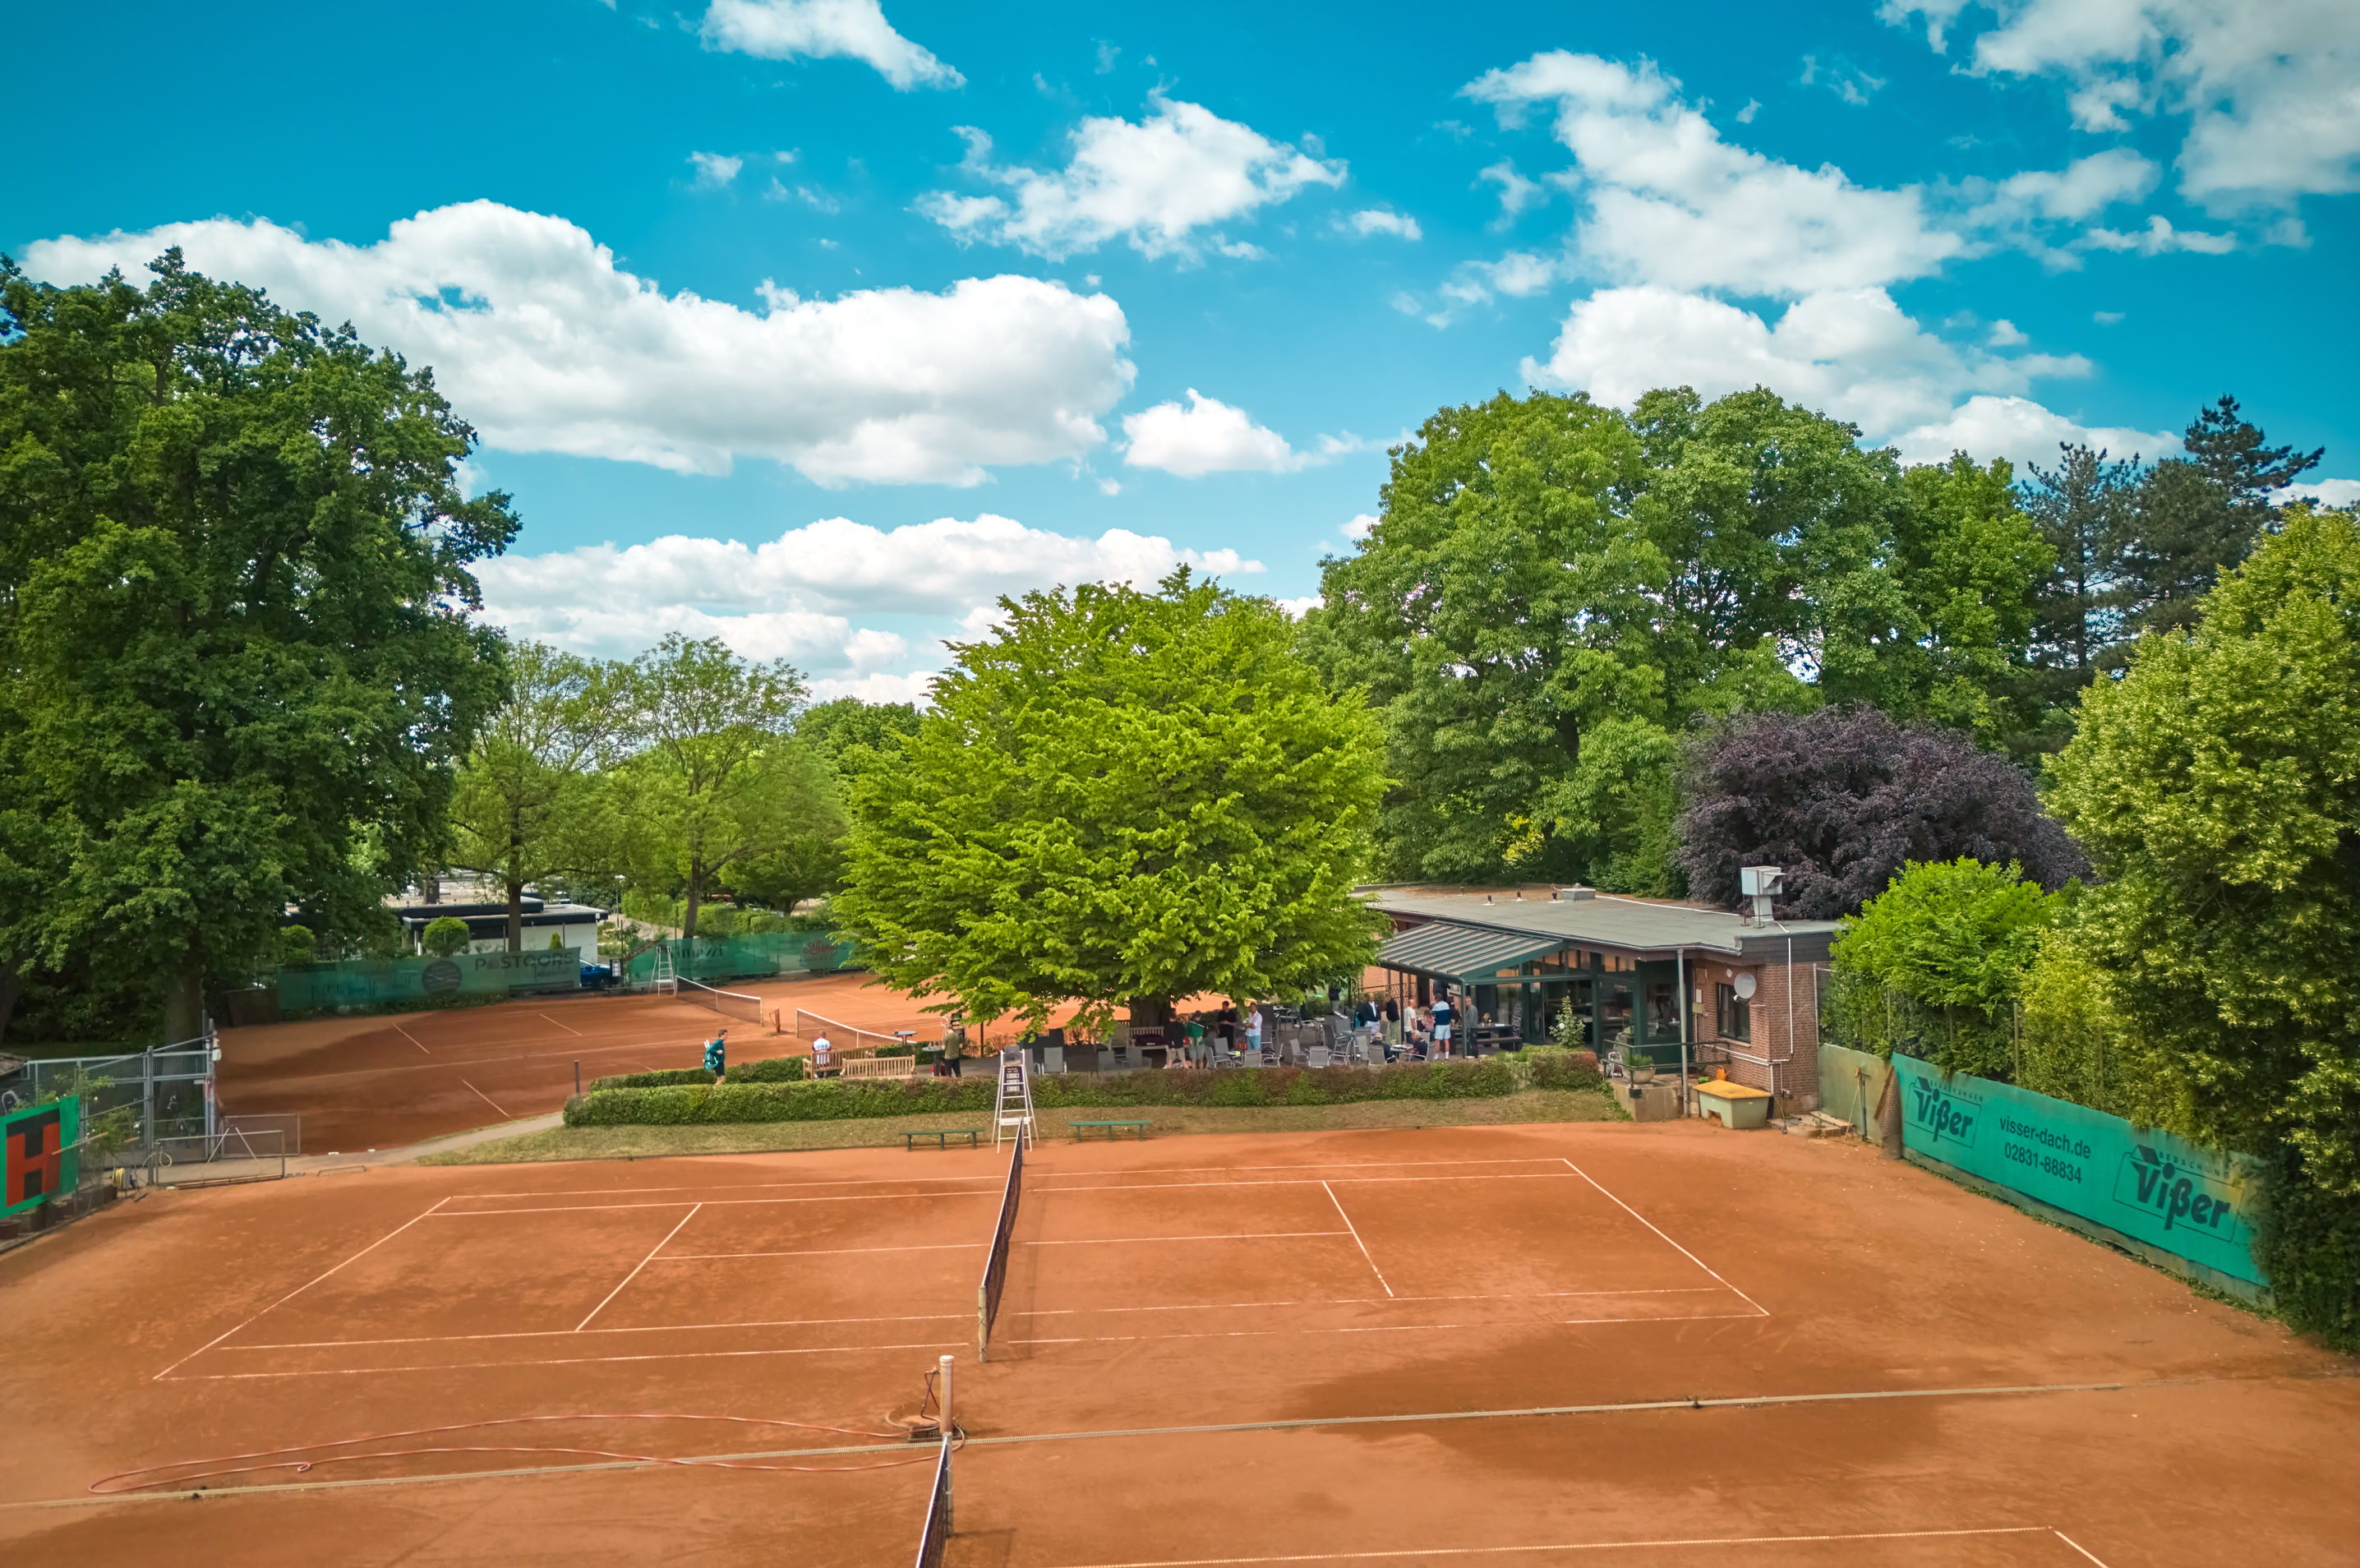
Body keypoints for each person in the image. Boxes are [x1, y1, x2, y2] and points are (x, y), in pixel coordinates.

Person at [1431, 991, 1454, 1058]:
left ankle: (1436, 1056)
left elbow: (1431, 1013)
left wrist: (1434, 1006)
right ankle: (1447, 1057)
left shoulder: (1436, 1006)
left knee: (1438, 1041)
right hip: (1446, 1025)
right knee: (1446, 1041)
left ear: (1436, 999)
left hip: (1439, 1025)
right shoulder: (1446, 1004)